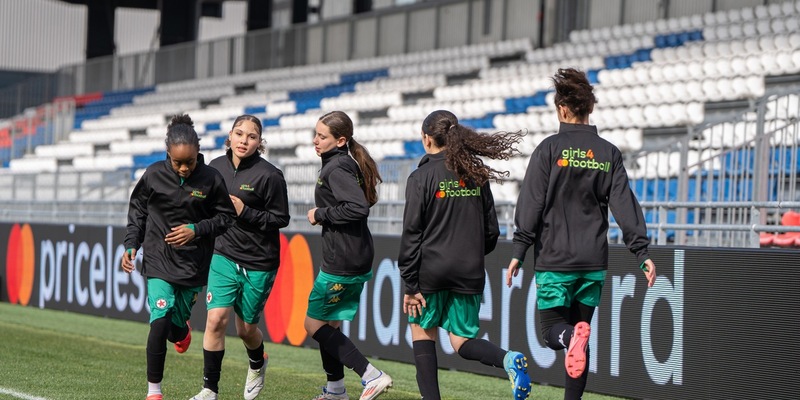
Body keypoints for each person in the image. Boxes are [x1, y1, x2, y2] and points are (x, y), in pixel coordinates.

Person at [506, 68, 657, 400]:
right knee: (581, 340)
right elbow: (624, 205)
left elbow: (530, 203)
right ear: (591, 109)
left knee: (552, 333)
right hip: (592, 263)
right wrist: (641, 252)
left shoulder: (548, 149)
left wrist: (518, 250)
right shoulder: (608, 153)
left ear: (562, 110)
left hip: (555, 260)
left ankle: (572, 337)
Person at [398, 110, 532, 400]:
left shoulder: (420, 177)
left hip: (430, 271)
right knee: (461, 341)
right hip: (468, 271)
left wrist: (410, 285)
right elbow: (491, 232)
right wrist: (470, 254)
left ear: (426, 139)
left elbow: (411, 234)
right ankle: (507, 359)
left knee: (423, 334)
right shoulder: (476, 174)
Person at [121, 114, 236, 400]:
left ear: (198, 152)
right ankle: (154, 392)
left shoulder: (211, 179)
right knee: (159, 319)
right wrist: (131, 245)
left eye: (190, 162)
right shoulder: (153, 175)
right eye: (177, 162)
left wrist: (196, 230)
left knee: (174, 330)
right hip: (159, 259)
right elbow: (138, 212)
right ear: (167, 154)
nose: (184, 168)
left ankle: (181, 330)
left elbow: (227, 218)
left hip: (193, 264)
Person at [190, 115, 290, 400]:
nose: (244, 140)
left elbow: (281, 219)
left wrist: (245, 211)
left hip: (259, 261)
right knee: (216, 320)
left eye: (251, 136)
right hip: (223, 254)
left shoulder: (270, 175)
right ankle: (209, 389)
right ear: (230, 137)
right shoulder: (214, 168)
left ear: (259, 142)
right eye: (239, 134)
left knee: (246, 329)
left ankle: (258, 362)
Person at [304, 111, 392, 400]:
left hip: (343, 259)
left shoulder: (337, 167)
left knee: (313, 325)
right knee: (329, 323)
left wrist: (320, 214)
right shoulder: (338, 163)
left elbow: (357, 208)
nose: (315, 140)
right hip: (350, 254)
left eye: (322, 136)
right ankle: (335, 391)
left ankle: (371, 375)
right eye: (315, 134)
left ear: (340, 141)